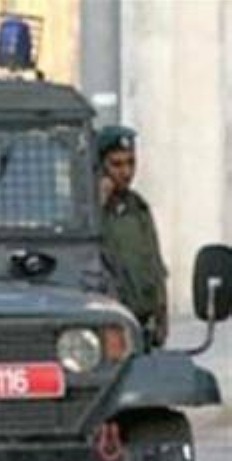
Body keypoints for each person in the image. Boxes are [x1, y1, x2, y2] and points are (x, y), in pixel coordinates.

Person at [97, 124, 169, 347]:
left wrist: (161, 312)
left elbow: (153, 262)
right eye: (116, 164)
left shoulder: (137, 207)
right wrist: (98, 203)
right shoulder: (89, 210)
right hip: (108, 323)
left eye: (131, 163)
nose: (126, 173)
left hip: (143, 322)